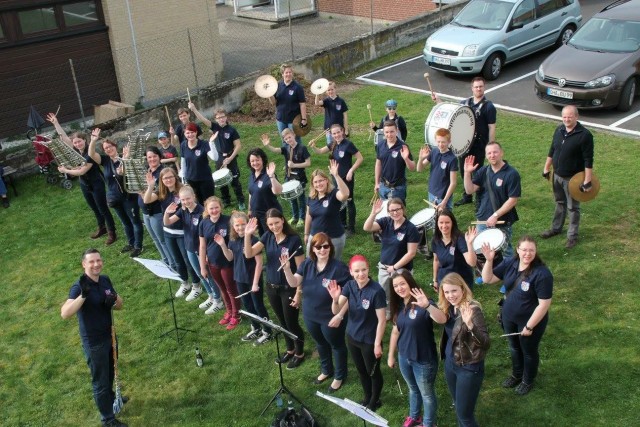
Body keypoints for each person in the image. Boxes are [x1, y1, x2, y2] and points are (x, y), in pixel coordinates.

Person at [60, 249, 127, 427]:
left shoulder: (105, 280)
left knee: (111, 372)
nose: (96, 264)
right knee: (100, 380)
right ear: (84, 264)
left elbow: (119, 305)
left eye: (98, 260)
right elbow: (65, 313)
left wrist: (113, 298)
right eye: (91, 262)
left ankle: (111, 399)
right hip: (94, 341)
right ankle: (108, 419)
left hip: (110, 335)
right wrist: (83, 296)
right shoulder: (79, 286)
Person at [481, 235, 553, 395]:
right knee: (514, 347)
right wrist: (489, 260)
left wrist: (529, 326)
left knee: (528, 351)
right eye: (524, 250)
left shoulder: (542, 274)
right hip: (508, 316)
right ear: (518, 250)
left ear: (536, 252)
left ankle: (528, 380)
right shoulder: (510, 263)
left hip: (530, 321)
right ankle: (517, 374)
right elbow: (487, 279)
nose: (527, 254)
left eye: (531, 250)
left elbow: (544, 304)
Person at [282, 233, 351, 392]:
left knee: (337, 345)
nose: (322, 249)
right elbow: (294, 282)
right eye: (318, 246)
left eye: (325, 246)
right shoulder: (307, 264)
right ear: (312, 248)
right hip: (310, 315)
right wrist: (287, 270)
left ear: (330, 248)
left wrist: (340, 314)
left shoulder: (339, 268)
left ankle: (340, 376)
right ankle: (326, 370)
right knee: (320, 343)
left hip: (330, 316)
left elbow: (348, 294)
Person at [244, 210, 306, 369]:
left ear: (283, 220)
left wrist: (299, 293)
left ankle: (300, 352)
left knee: (291, 323)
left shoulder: (293, 240)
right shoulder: (267, 237)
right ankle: (290, 349)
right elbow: (249, 253)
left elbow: (301, 269)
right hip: (271, 287)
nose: (274, 227)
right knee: (282, 322)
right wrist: (247, 235)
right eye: (270, 224)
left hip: (289, 288)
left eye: (277, 222)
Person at [427, 272, 490, 427]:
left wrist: (470, 326)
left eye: (454, 290)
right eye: (446, 292)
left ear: (462, 289)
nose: (450, 295)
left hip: (469, 368)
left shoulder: (473, 310)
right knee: (459, 407)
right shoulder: (449, 308)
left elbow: (486, 343)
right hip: (451, 363)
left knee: (465, 415)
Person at [387, 269, 446, 427]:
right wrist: (391, 355)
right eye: (396, 286)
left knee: (426, 394)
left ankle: (428, 423)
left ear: (410, 283)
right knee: (413, 389)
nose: (399, 288)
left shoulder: (423, 302)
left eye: (402, 284)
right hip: (404, 357)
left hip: (423, 359)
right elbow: (395, 331)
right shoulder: (399, 305)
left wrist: (427, 305)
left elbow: (442, 319)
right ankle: (414, 417)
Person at [327, 255, 386, 411]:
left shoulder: (377, 291)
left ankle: (374, 401)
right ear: (351, 272)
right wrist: (334, 299)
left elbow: (382, 320)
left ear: (368, 269)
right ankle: (367, 396)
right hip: (352, 336)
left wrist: (377, 344)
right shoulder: (349, 285)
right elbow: (336, 310)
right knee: (361, 370)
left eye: (364, 270)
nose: (361, 274)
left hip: (369, 340)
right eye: (357, 271)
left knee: (372, 372)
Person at [47, 113, 117, 244]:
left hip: (97, 184)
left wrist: (65, 170)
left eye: (80, 141)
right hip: (85, 185)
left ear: (85, 141)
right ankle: (102, 228)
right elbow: (64, 138)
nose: (77, 144)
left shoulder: (90, 154)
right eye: (75, 142)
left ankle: (112, 232)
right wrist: (56, 123)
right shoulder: (75, 150)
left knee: (103, 208)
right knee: (94, 208)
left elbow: (82, 171)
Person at [433, 77, 497, 207]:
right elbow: (452, 113)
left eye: (481, 86)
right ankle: (467, 196)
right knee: (464, 171)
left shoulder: (489, 107)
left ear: (484, 87)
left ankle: (480, 198)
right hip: (464, 145)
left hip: (479, 145)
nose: (478, 89)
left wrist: (490, 146)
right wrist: (438, 101)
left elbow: (492, 127)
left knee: (477, 172)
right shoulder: (465, 102)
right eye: (476, 87)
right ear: (472, 88)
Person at [145, 168, 203, 302]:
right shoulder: (161, 192)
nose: (168, 180)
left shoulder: (183, 190)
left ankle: (196, 285)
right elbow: (147, 200)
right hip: (168, 232)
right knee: (177, 261)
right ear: (162, 181)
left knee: (188, 261)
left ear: (175, 177)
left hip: (183, 232)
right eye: (165, 178)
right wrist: (150, 186)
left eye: (170, 177)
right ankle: (185, 282)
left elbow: (194, 205)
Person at [541, 105, 595, 249]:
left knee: (573, 208)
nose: (566, 119)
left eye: (569, 117)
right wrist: (546, 168)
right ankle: (556, 228)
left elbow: (588, 160)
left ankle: (572, 236)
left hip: (573, 179)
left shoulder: (585, 135)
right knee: (559, 202)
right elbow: (552, 149)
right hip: (557, 175)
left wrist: (587, 181)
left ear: (576, 117)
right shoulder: (559, 129)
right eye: (564, 116)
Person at [163, 186, 223, 312]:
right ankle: (211, 296)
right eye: (183, 200)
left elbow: (206, 234)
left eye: (188, 199)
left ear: (194, 196)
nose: (185, 202)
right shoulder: (182, 210)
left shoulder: (202, 212)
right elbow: (167, 222)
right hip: (190, 249)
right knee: (200, 275)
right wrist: (166, 213)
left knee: (208, 275)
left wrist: (206, 253)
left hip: (202, 250)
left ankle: (218, 300)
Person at [216, 211, 272, 345]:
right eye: (237, 225)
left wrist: (255, 283)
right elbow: (230, 257)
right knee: (248, 305)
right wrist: (223, 245)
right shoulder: (233, 240)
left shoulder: (254, 240)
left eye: (243, 225)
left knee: (258, 306)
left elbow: (259, 263)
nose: (240, 228)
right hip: (239, 278)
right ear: (233, 227)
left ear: (248, 225)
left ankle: (267, 331)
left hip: (253, 279)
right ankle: (256, 327)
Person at [87, 129, 143, 257]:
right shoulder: (105, 161)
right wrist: (93, 140)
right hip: (114, 198)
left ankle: (138, 246)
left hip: (128, 196)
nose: (108, 149)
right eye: (105, 148)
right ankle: (131, 243)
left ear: (115, 146)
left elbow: (121, 172)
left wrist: (125, 158)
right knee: (125, 222)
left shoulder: (124, 158)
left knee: (135, 221)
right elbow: (91, 154)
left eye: (110, 146)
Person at [463, 141, 521, 258]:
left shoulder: (511, 174)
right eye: (489, 153)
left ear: (501, 153)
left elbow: (513, 200)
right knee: (481, 249)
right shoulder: (483, 171)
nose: (492, 155)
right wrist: (467, 173)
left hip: (502, 221)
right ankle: (488, 273)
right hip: (483, 219)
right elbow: (469, 190)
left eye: (495, 152)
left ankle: (511, 273)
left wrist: (495, 215)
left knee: (505, 251)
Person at [363, 198, 420, 312]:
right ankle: (389, 313)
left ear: (403, 209)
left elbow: (411, 253)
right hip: (385, 267)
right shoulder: (386, 222)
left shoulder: (410, 228)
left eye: (397, 209)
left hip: (401, 269)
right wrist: (373, 213)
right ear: (388, 212)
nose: (395, 213)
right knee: (385, 293)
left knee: (403, 294)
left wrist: (394, 267)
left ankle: (405, 313)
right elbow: (367, 227)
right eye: (391, 210)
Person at [188, 103, 246, 210]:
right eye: (219, 117)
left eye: (223, 116)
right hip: (219, 158)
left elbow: (238, 146)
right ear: (216, 119)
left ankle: (240, 200)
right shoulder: (215, 127)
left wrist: (230, 158)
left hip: (231, 158)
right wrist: (194, 109)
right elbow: (203, 119)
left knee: (235, 180)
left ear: (226, 117)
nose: (221, 119)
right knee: (221, 180)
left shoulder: (232, 130)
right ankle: (226, 200)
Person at [309, 124, 363, 235]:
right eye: (334, 133)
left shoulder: (348, 144)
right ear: (332, 135)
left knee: (349, 201)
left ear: (342, 131)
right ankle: (343, 224)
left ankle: (351, 228)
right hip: (335, 178)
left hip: (346, 178)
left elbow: (360, 158)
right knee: (339, 201)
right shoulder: (332, 144)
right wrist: (314, 146)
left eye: (338, 132)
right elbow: (319, 151)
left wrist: (351, 170)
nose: (337, 135)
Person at [200, 197, 241, 329]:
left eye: (216, 207)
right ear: (206, 209)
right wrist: (202, 266)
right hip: (212, 263)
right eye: (211, 208)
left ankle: (236, 315)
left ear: (221, 207)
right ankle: (229, 311)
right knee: (222, 289)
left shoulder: (228, 221)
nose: (214, 210)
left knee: (231, 289)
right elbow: (202, 246)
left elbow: (235, 240)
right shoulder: (204, 223)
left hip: (227, 262)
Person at [136, 146, 174, 270]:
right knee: (155, 239)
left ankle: (172, 264)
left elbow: (151, 197)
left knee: (162, 240)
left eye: (154, 156)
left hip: (157, 212)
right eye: (149, 157)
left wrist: (141, 191)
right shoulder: (148, 171)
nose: (152, 159)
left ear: (159, 156)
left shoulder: (162, 173)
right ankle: (166, 260)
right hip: (146, 212)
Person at [262, 129, 310, 227]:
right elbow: (275, 150)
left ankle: (302, 217)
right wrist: (267, 145)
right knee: (291, 198)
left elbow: (308, 163)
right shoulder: (286, 148)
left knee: (301, 198)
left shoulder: (302, 148)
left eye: (289, 137)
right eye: (286, 139)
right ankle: (295, 216)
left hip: (300, 177)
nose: (288, 140)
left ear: (294, 135)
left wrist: (294, 165)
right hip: (289, 177)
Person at [303, 161, 350, 260]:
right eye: (315, 182)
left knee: (332, 265)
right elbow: (308, 215)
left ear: (326, 181)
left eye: (321, 181)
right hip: (315, 237)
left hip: (334, 238)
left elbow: (345, 194)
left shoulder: (333, 194)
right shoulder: (311, 197)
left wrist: (336, 176)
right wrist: (306, 234)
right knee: (311, 262)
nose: (318, 184)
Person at [432, 210, 478, 290]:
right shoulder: (435, 240)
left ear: (452, 223)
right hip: (444, 281)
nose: (444, 225)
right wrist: (435, 280)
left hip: (460, 282)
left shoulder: (460, 239)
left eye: (447, 222)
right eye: (441, 222)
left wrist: (469, 244)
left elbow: (472, 263)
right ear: (437, 224)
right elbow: (436, 261)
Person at [417, 128, 458, 212]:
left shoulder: (452, 159)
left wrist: (444, 201)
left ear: (449, 141)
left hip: (443, 197)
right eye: (438, 141)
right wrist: (420, 159)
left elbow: (453, 183)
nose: (440, 144)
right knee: (433, 219)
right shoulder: (434, 151)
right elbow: (419, 169)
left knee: (444, 221)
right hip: (432, 192)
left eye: (443, 142)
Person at [374, 120, 415, 203]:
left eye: (392, 131)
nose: (389, 135)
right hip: (383, 185)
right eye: (387, 132)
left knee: (398, 212)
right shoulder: (380, 145)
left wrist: (406, 158)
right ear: (383, 132)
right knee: (384, 212)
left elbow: (412, 167)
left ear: (397, 131)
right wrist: (377, 183)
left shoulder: (403, 146)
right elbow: (378, 164)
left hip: (398, 187)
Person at [246, 147, 283, 236]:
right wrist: (250, 210)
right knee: (264, 238)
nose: (255, 163)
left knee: (273, 238)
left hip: (269, 215)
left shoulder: (268, 174)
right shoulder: (252, 175)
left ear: (263, 159)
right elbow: (251, 193)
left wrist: (272, 176)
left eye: (257, 160)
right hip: (256, 214)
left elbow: (277, 191)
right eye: (252, 161)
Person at [269, 63, 307, 146]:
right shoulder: (277, 86)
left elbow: (302, 104)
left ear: (292, 74)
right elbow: (273, 103)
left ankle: (300, 158)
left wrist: (304, 119)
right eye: (286, 72)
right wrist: (269, 94)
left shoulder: (297, 87)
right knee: (285, 141)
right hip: (281, 120)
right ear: (282, 74)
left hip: (293, 121)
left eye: (290, 72)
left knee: (296, 141)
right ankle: (288, 158)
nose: (288, 74)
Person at [181, 122, 217, 205]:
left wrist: (211, 143)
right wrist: (183, 179)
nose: (190, 135)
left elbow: (215, 158)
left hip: (205, 180)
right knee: (197, 203)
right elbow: (183, 163)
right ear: (184, 133)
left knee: (209, 203)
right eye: (188, 133)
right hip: (191, 180)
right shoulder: (183, 145)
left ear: (196, 132)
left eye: (192, 132)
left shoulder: (203, 144)